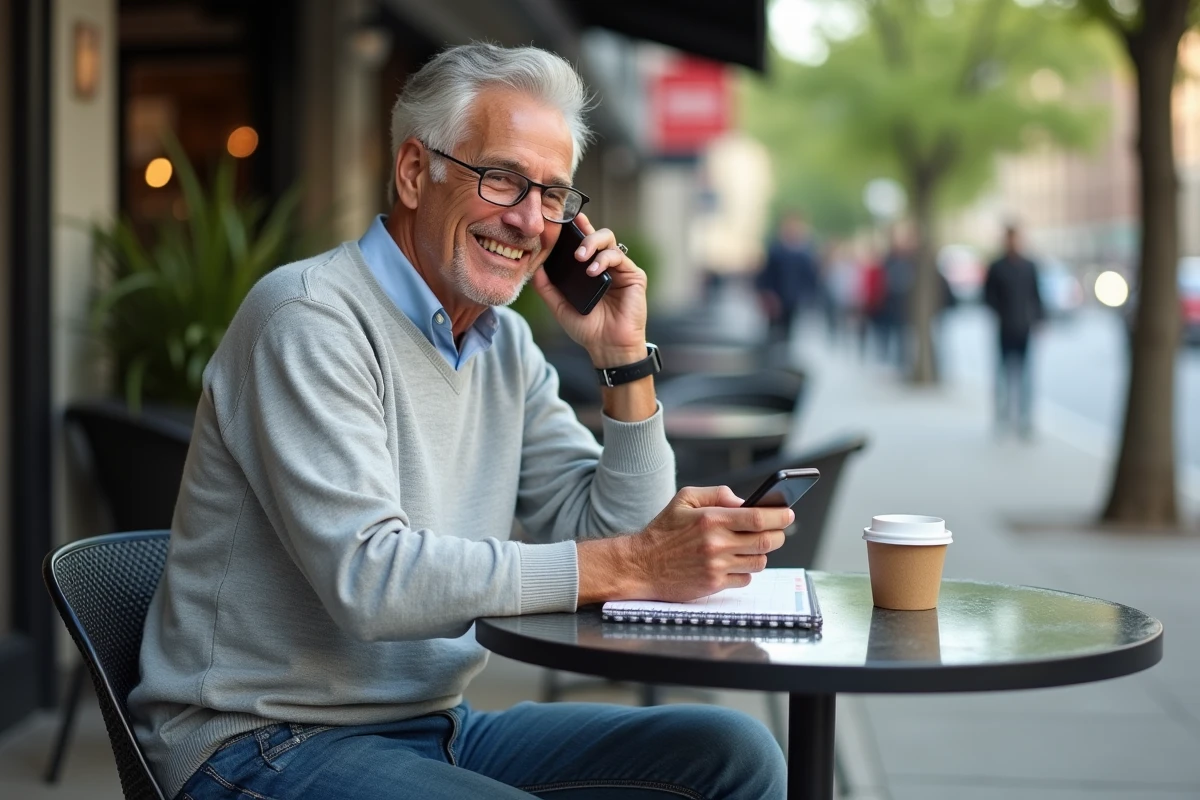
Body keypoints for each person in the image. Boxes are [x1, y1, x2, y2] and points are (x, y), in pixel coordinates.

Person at [128, 44, 791, 800]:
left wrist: (624, 361)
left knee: (733, 752)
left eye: (554, 195)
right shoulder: (309, 318)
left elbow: (617, 530)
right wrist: (636, 561)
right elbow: (370, 580)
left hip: (431, 724)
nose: (528, 219)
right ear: (416, 172)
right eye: (502, 178)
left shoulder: (503, 344)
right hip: (256, 740)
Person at [984, 225, 1043, 437]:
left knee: (1026, 377)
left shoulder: (1029, 266)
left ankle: (1025, 421)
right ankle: (1002, 420)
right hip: (1004, 329)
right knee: (1002, 377)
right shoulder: (997, 266)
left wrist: (1039, 319)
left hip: (1023, 328)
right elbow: (988, 296)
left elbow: (1036, 295)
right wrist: (1000, 312)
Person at [755, 211, 820, 343]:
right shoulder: (776, 249)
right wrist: (767, 294)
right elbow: (766, 274)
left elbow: (810, 277)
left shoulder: (804, 252)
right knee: (773, 331)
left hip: (793, 299)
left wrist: (807, 296)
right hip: (776, 298)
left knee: (788, 332)